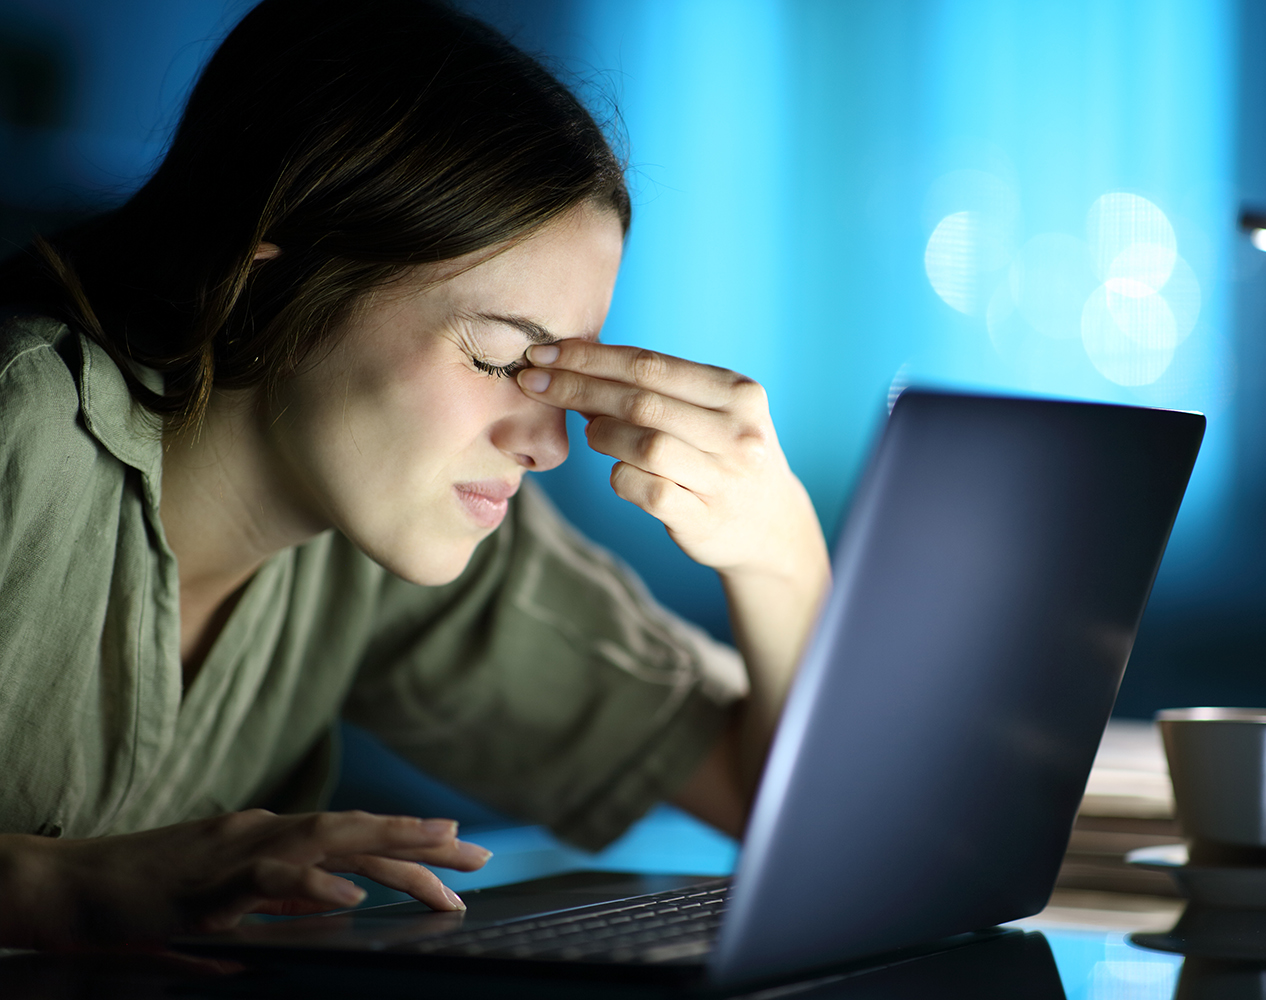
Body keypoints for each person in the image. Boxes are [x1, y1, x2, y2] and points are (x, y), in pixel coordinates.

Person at [0, 0, 828, 949]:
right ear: (268, 280)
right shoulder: (20, 424)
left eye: (562, 374)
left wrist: (781, 557)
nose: (548, 443)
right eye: (500, 358)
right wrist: (58, 885)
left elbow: (778, 804)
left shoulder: (403, 528)